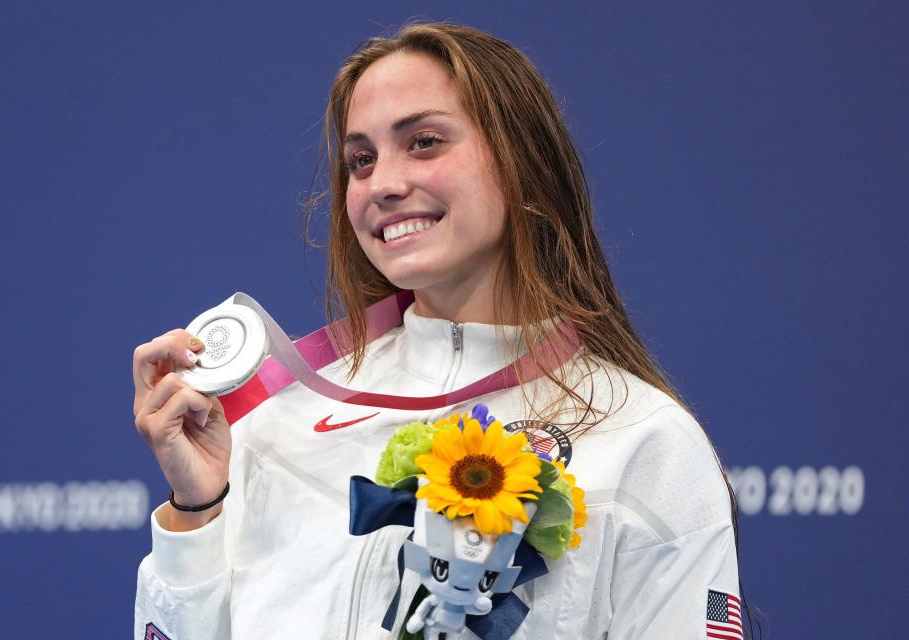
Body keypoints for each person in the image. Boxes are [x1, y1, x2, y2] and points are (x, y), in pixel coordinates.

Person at [132, 22, 744, 640]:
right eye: (361, 160)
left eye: (424, 142)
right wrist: (197, 511)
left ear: (520, 163)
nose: (385, 184)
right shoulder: (272, 425)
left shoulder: (642, 440)